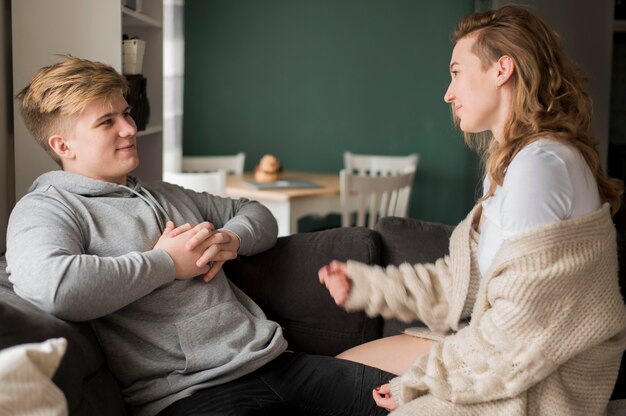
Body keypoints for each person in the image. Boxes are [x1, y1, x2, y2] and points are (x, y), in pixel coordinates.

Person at [6, 55, 394, 416]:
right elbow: (54, 287)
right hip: (191, 394)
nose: (130, 128)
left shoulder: (165, 193)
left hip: (276, 361)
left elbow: (256, 213)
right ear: (63, 145)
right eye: (107, 122)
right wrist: (168, 263)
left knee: (425, 400)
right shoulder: (48, 208)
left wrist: (232, 239)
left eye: (125, 113)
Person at [319, 5, 626, 415]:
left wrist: (421, 380)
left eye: (457, 71)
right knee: (337, 379)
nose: (448, 92)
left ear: (502, 69)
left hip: (540, 380)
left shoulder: (541, 166)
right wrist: (369, 287)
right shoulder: (509, 168)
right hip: (501, 350)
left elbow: (518, 333)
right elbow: (463, 282)